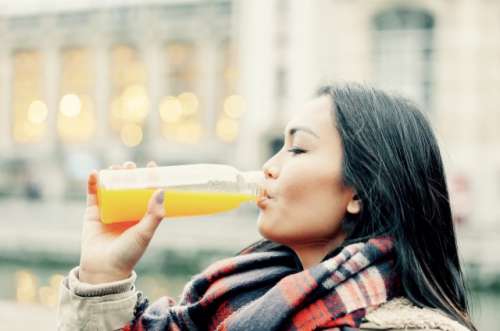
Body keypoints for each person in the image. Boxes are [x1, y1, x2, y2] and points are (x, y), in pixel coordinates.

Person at [57, 83, 476, 331]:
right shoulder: (236, 300)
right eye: (278, 146)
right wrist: (103, 274)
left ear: (359, 193)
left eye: (297, 148)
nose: (268, 168)